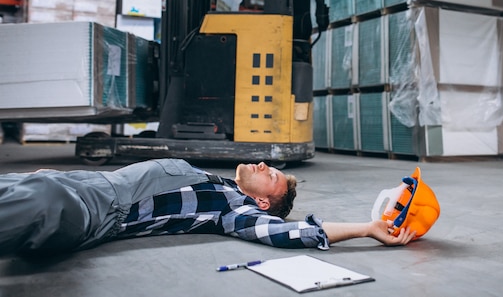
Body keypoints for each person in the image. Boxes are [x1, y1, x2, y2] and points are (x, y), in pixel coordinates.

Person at [0, 158, 415, 256]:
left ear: (262, 200)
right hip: (78, 184)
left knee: (43, 200)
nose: (264, 165)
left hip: (92, 210)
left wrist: (367, 227)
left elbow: (289, 232)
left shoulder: (232, 209)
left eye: (271, 175)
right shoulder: (213, 180)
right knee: (36, 187)